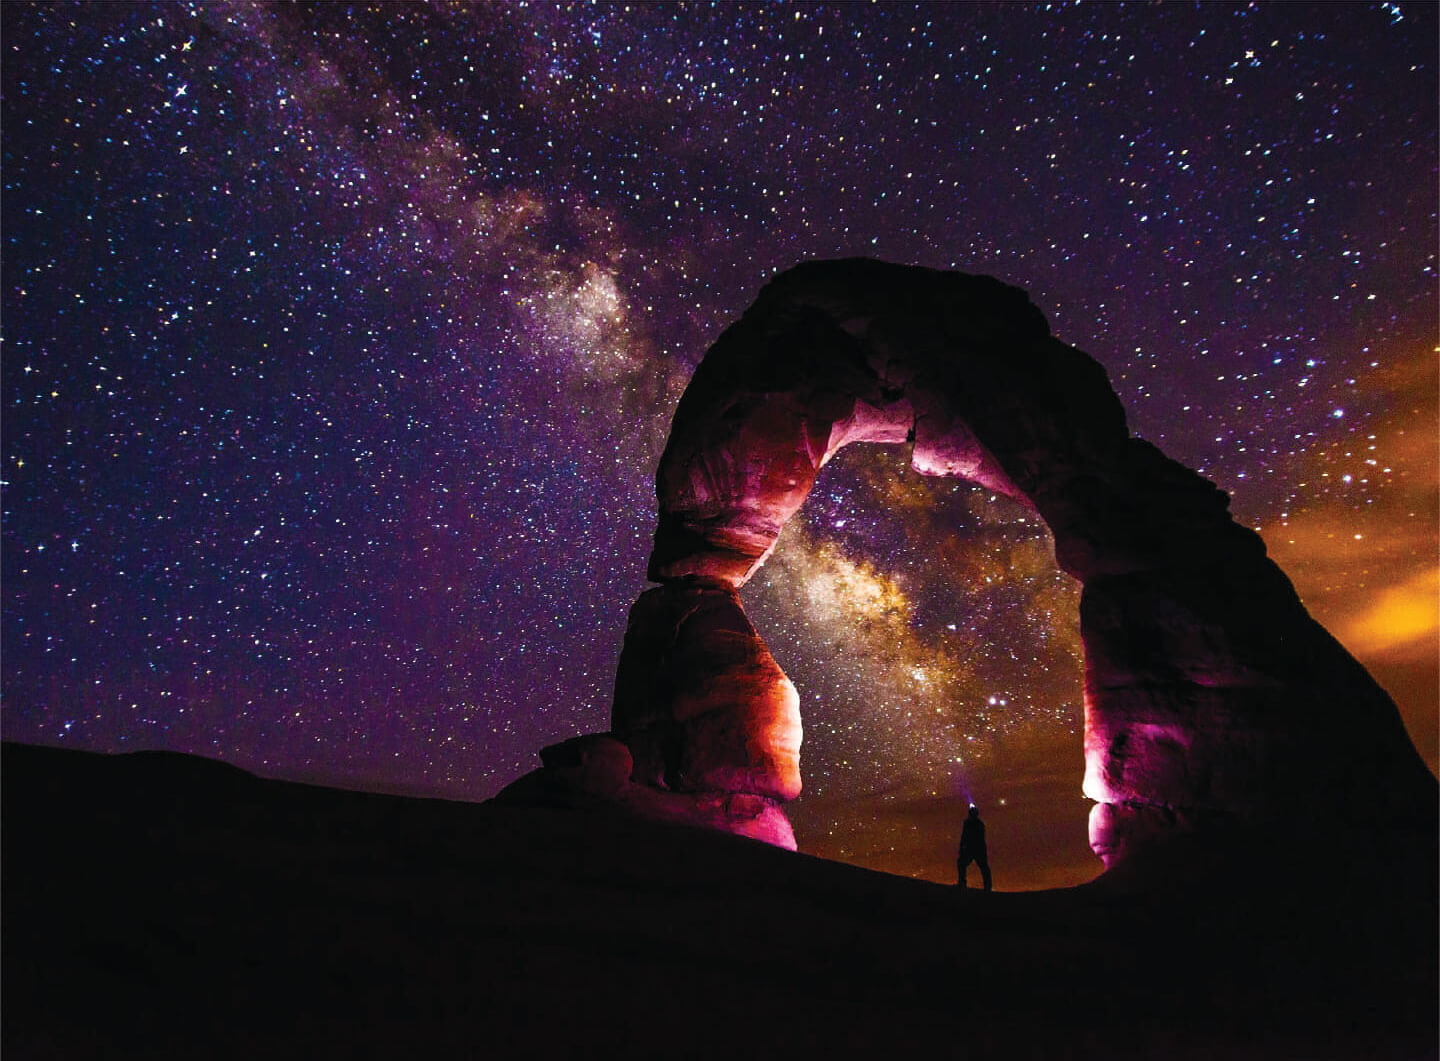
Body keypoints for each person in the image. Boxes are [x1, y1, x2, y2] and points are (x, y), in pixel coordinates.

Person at [956, 803, 992, 892]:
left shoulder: (970, 823)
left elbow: (964, 837)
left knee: (962, 864)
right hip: (976, 849)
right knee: (983, 867)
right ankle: (987, 887)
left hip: (972, 849)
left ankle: (962, 883)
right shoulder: (979, 824)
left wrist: (962, 848)